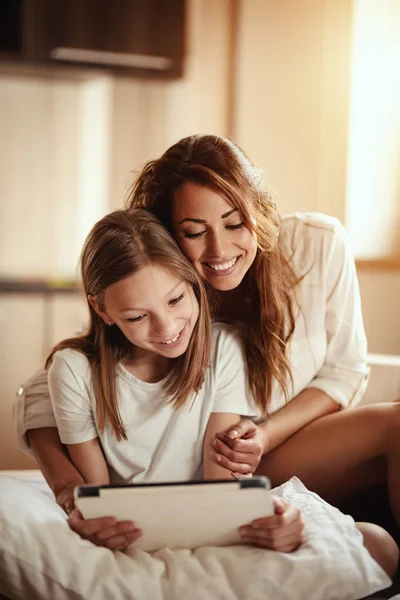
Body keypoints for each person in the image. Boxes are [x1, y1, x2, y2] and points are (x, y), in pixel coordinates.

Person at [13, 140, 399, 574]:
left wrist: (266, 435)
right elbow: (60, 379)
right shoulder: (167, 291)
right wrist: (67, 484)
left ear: (258, 212)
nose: (219, 250)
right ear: (167, 237)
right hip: (220, 459)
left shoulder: (318, 245)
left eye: (236, 223)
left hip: (276, 441)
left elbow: (345, 371)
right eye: (194, 232)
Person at [32, 207, 304, 554]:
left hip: (209, 521)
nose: (167, 328)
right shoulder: (72, 371)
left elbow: (219, 485)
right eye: (137, 316)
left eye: (175, 299)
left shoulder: (224, 349)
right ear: (102, 311)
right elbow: (101, 499)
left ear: (192, 282)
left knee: (375, 542)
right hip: (131, 533)